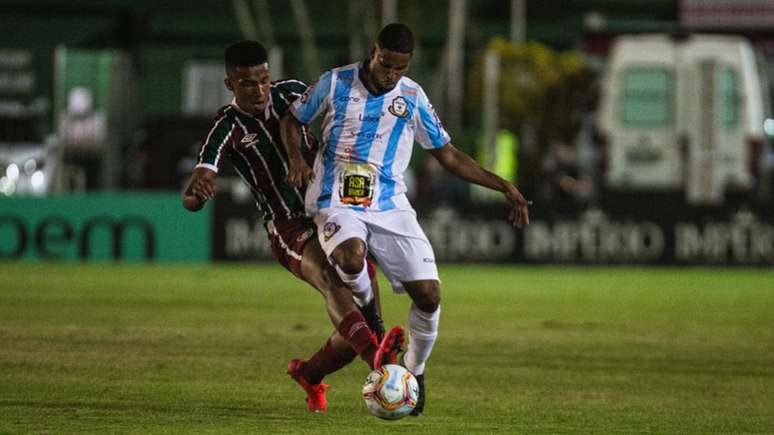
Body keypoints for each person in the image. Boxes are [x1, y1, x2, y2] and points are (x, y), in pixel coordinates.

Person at [280, 23, 531, 416]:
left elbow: (447, 155)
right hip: (335, 200)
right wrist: (296, 159)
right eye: (386, 64)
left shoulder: (412, 96)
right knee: (349, 256)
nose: (391, 74)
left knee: (429, 294)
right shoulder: (334, 83)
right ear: (372, 52)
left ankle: (414, 372)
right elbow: (292, 120)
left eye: (400, 67)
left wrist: (502, 185)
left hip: (391, 204)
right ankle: (371, 318)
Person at [181, 40, 405, 413]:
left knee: (358, 327)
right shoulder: (226, 126)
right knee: (333, 283)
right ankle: (381, 365)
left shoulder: (291, 93)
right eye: (248, 83)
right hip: (286, 224)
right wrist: (198, 193)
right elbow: (197, 183)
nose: (259, 90)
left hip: (333, 207)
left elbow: (340, 104)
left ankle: (311, 373)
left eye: (264, 80)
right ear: (229, 84)